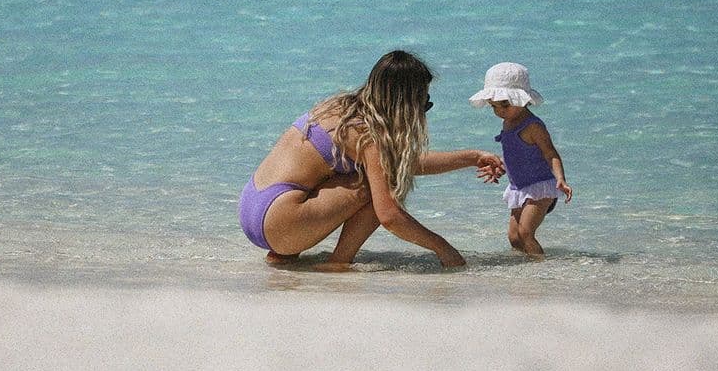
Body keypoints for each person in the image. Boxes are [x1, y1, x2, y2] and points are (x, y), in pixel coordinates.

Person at [239, 50, 504, 269]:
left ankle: (284, 254)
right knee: (381, 186)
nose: (425, 110)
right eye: (424, 104)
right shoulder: (369, 136)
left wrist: (471, 158)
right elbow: (388, 215)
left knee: (372, 173)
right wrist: (442, 247)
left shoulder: (339, 107)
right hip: (280, 224)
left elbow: (402, 161)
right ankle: (338, 263)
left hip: (254, 207)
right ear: (405, 104)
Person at [470, 62, 573, 259]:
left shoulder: (533, 126)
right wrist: (499, 166)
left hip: (540, 187)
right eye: (494, 106)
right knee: (514, 237)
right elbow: (517, 154)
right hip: (519, 188)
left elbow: (550, 153)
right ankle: (522, 271)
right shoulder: (508, 122)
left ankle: (542, 267)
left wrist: (560, 178)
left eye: (505, 104)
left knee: (526, 233)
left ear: (522, 99)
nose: (500, 110)